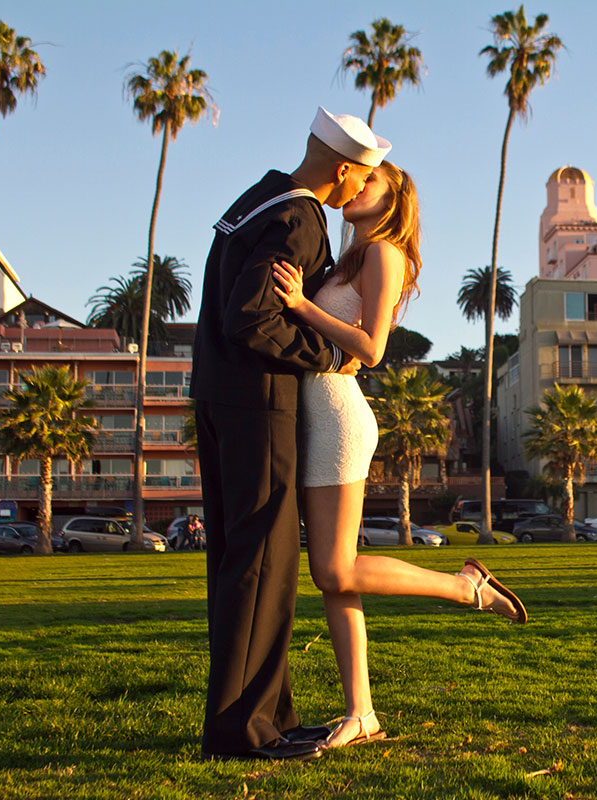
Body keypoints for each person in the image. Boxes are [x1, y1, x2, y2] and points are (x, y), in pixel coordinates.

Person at [271, 157, 527, 752]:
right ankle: (361, 712)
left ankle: (466, 586)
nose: (358, 185)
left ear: (394, 199)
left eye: (373, 179)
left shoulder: (384, 252)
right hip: (316, 415)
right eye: (356, 177)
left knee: (334, 569)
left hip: (337, 418)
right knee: (337, 580)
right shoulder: (348, 259)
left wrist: (301, 306)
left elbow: (374, 347)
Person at [191, 108, 386, 762]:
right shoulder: (299, 218)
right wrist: (325, 356)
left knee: (244, 561)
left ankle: (268, 717)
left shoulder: (256, 199)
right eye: (361, 178)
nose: (359, 191)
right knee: (261, 564)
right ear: (343, 170)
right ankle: (243, 730)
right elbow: (250, 317)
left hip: (218, 397)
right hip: (258, 403)